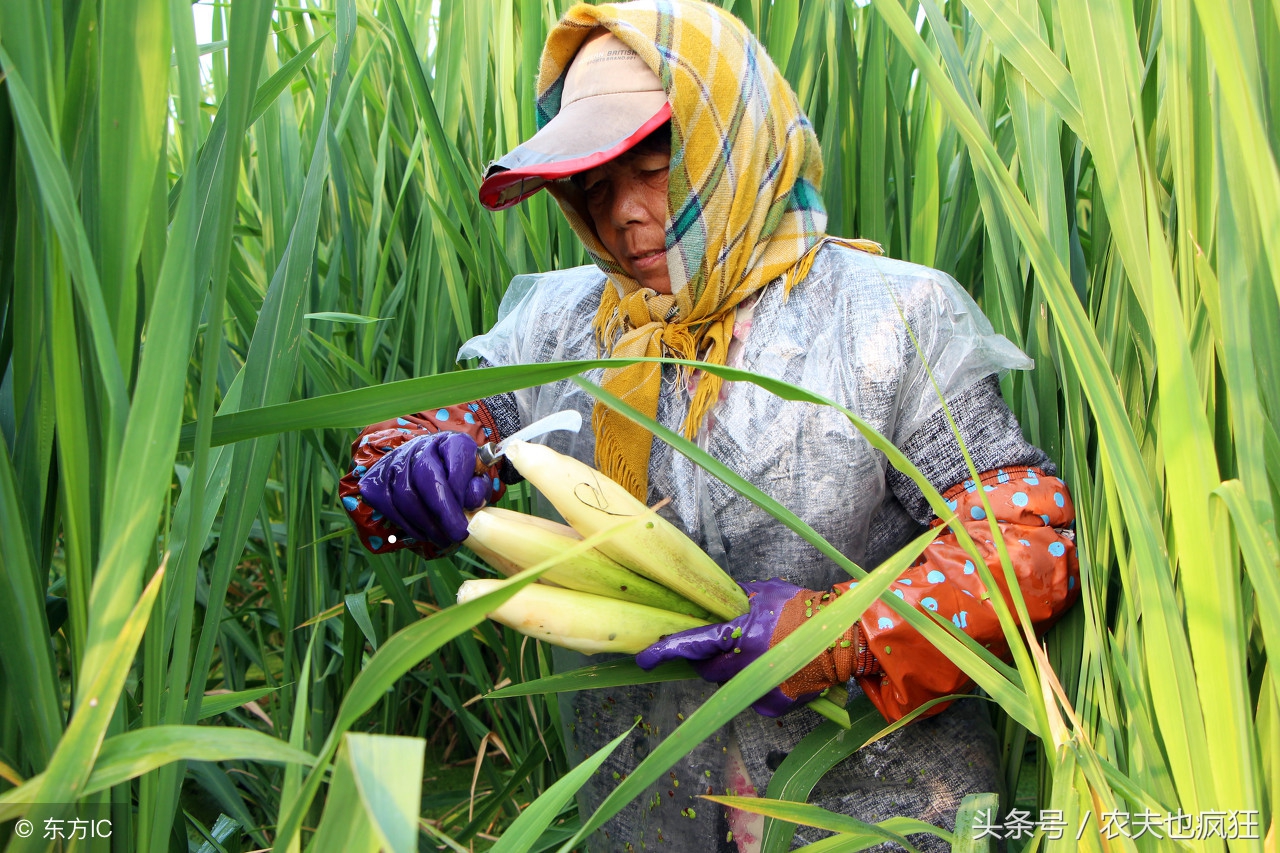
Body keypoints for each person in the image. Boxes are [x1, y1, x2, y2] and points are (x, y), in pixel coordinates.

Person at [340, 2, 1079, 850]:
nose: (623, 214)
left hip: (874, 805)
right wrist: (409, 466)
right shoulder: (563, 329)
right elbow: (463, 419)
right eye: (594, 185)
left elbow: (1026, 535)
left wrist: (834, 634)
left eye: (656, 167)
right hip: (648, 808)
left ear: (733, 142)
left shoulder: (883, 319)